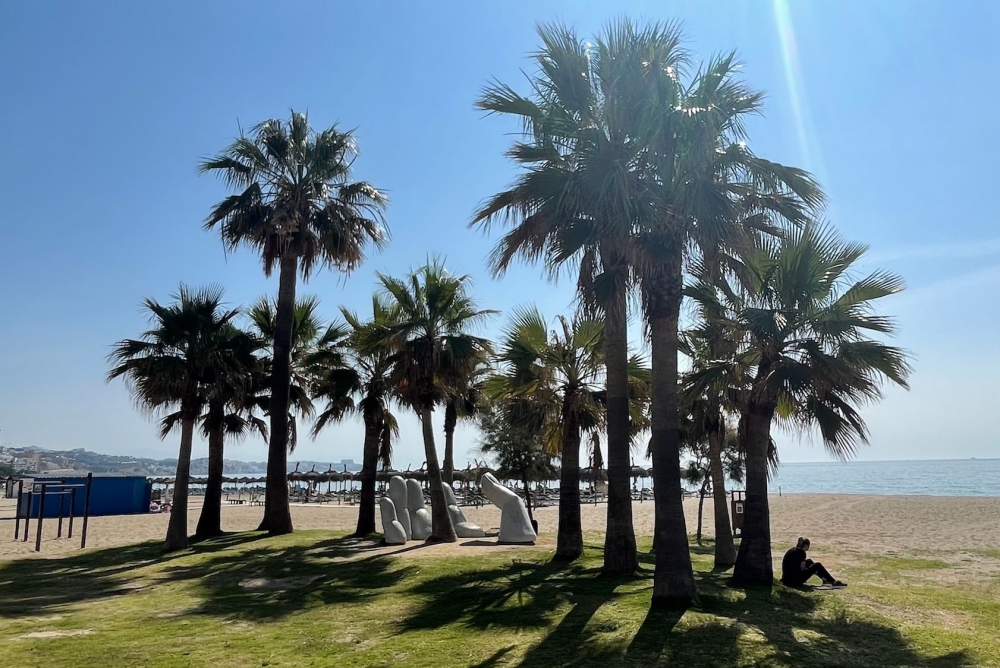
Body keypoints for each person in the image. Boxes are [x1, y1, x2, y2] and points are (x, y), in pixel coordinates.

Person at [781, 537, 846, 588]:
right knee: (817, 565)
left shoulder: (792, 550)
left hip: (786, 579)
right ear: (805, 546)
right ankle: (833, 582)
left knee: (809, 562)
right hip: (794, 581)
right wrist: (811, 570)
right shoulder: (801, 553)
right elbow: (802, 569)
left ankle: (825, 579)